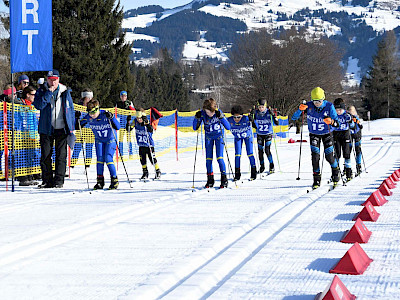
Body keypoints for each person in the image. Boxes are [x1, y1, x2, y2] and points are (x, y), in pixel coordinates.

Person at [33, 69, 75, 188]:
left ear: (58, 80)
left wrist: (71, 127)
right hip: (46, 128)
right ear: (47, 80)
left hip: (62, 127)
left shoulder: (65, 91)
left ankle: (59, 180)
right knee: (46, 155)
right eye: (50, 80)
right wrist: (48, 93)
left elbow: (70, 109)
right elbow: (39, 105)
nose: (52, 83)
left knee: (61, 155)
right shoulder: (42, 90)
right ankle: (47, 180)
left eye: (54, 80)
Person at [292, 87, 340, 189]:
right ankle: (316, 179)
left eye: (319, 101)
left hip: (327, 133)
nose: (317, 103)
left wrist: (331, 121)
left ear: (323, 99)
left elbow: (337, 123)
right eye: (314, 101)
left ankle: (336, 172)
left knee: (329, 157)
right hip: (314, 134)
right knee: (315, 157)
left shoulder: (329, 106)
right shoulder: (308, 106)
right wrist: (299, 110)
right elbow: (294, 118)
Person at [76, 99, 120, 190]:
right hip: (99, 139)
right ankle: (100, 181)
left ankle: (114, 180)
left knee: (108, 158)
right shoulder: (89, 117)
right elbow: (78, 126)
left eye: (93, 112)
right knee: (99, 159)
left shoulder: (105, 114)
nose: (92, 115)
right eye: (90, 113)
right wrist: (76, 118)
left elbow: (118, 127)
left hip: (110, 139)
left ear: (98, 109)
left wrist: (112, 117)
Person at [193, 98, 231, 188]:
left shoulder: (218, 112)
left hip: (219, 137)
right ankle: (210, 179)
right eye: (207, 112)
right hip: (209, 137)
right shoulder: (203, 114)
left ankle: (224, 179)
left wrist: (221, 117)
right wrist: (196, 118)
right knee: (208, 159)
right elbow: (195, 127)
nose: (210, 114)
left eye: (211, 112)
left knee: (219, 158)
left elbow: (228, 127)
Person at [126, 108, 161, 180]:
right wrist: (128, 122)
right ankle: (145, 173)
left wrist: (147, 123)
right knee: (142, 160)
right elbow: (129, 129)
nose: (139, 120)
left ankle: (157, 171)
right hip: (141, 145)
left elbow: (151, 129)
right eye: (138, 118)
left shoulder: (146, 122)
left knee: (152, 159)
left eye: (140, 118)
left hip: (149, 145)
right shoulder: (135, 122)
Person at [227, 105, 257, 181]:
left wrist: (252, 120)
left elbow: (256, 126)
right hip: (237, 138)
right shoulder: (230, 120)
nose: (236, 119)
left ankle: (253, 171)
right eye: (235, 117)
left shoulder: (246, 119)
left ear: (242, 116)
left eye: (238, 117)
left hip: (248, 137)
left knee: (250, 153)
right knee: (237, 155)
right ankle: (237, 174)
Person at [251, 99, 279, 174]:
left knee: (267, 150)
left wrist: (273, 115)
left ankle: (271, 165)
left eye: (262, 107)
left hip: (268, 134)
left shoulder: (268, 112)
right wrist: (251, 117)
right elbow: (253, 124)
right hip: (260, 134)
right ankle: (262, 166)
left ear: (265, 106)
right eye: (259, 107)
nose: (261, 109)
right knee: (260, 151)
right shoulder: (256, 113)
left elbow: (277, 123)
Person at [332, 98, 355, 182]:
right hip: (336, 135)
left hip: (345, 134)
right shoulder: (333, 115)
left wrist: (350, 121)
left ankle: (348, 172)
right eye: (336, 109)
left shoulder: (347, 114)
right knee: (337, 154)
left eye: (340, 109)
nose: (338, 111)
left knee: (346, 153)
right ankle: (335, 172)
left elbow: (353, 126)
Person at [72, 89, 95, 167]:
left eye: (89, 97)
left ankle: (87, 164)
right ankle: (72, 164)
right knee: (77, 147)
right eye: (86, 97)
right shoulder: (79, 106)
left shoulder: (92, 106)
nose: (88, 99)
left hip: (90, 130)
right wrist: (77, 117)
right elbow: (75, 119)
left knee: (89, 148)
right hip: (80, 130)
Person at [116, 90, 134, 158]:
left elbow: (133, 111)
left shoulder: (129, 102)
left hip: (128, 122)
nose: (123, 97)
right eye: (122, 96)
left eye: (125, 96)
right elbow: (116, 113)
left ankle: (131, 153)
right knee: (120, 139)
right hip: (121, 123)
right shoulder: (118, 103)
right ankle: (121, 154)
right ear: (120, 97)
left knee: (128, 138)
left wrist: (129, 107)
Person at [348, 105, 363, 176]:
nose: (351, 113)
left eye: (352, 111)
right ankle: (347, 167)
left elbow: (360, 127)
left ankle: (359, 165)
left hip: (357, 135)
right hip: (349, 135)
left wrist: (356, 122)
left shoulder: (356, 118)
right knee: (348, 151)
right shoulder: (347, 118)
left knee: (358, 150)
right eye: (350, 111)